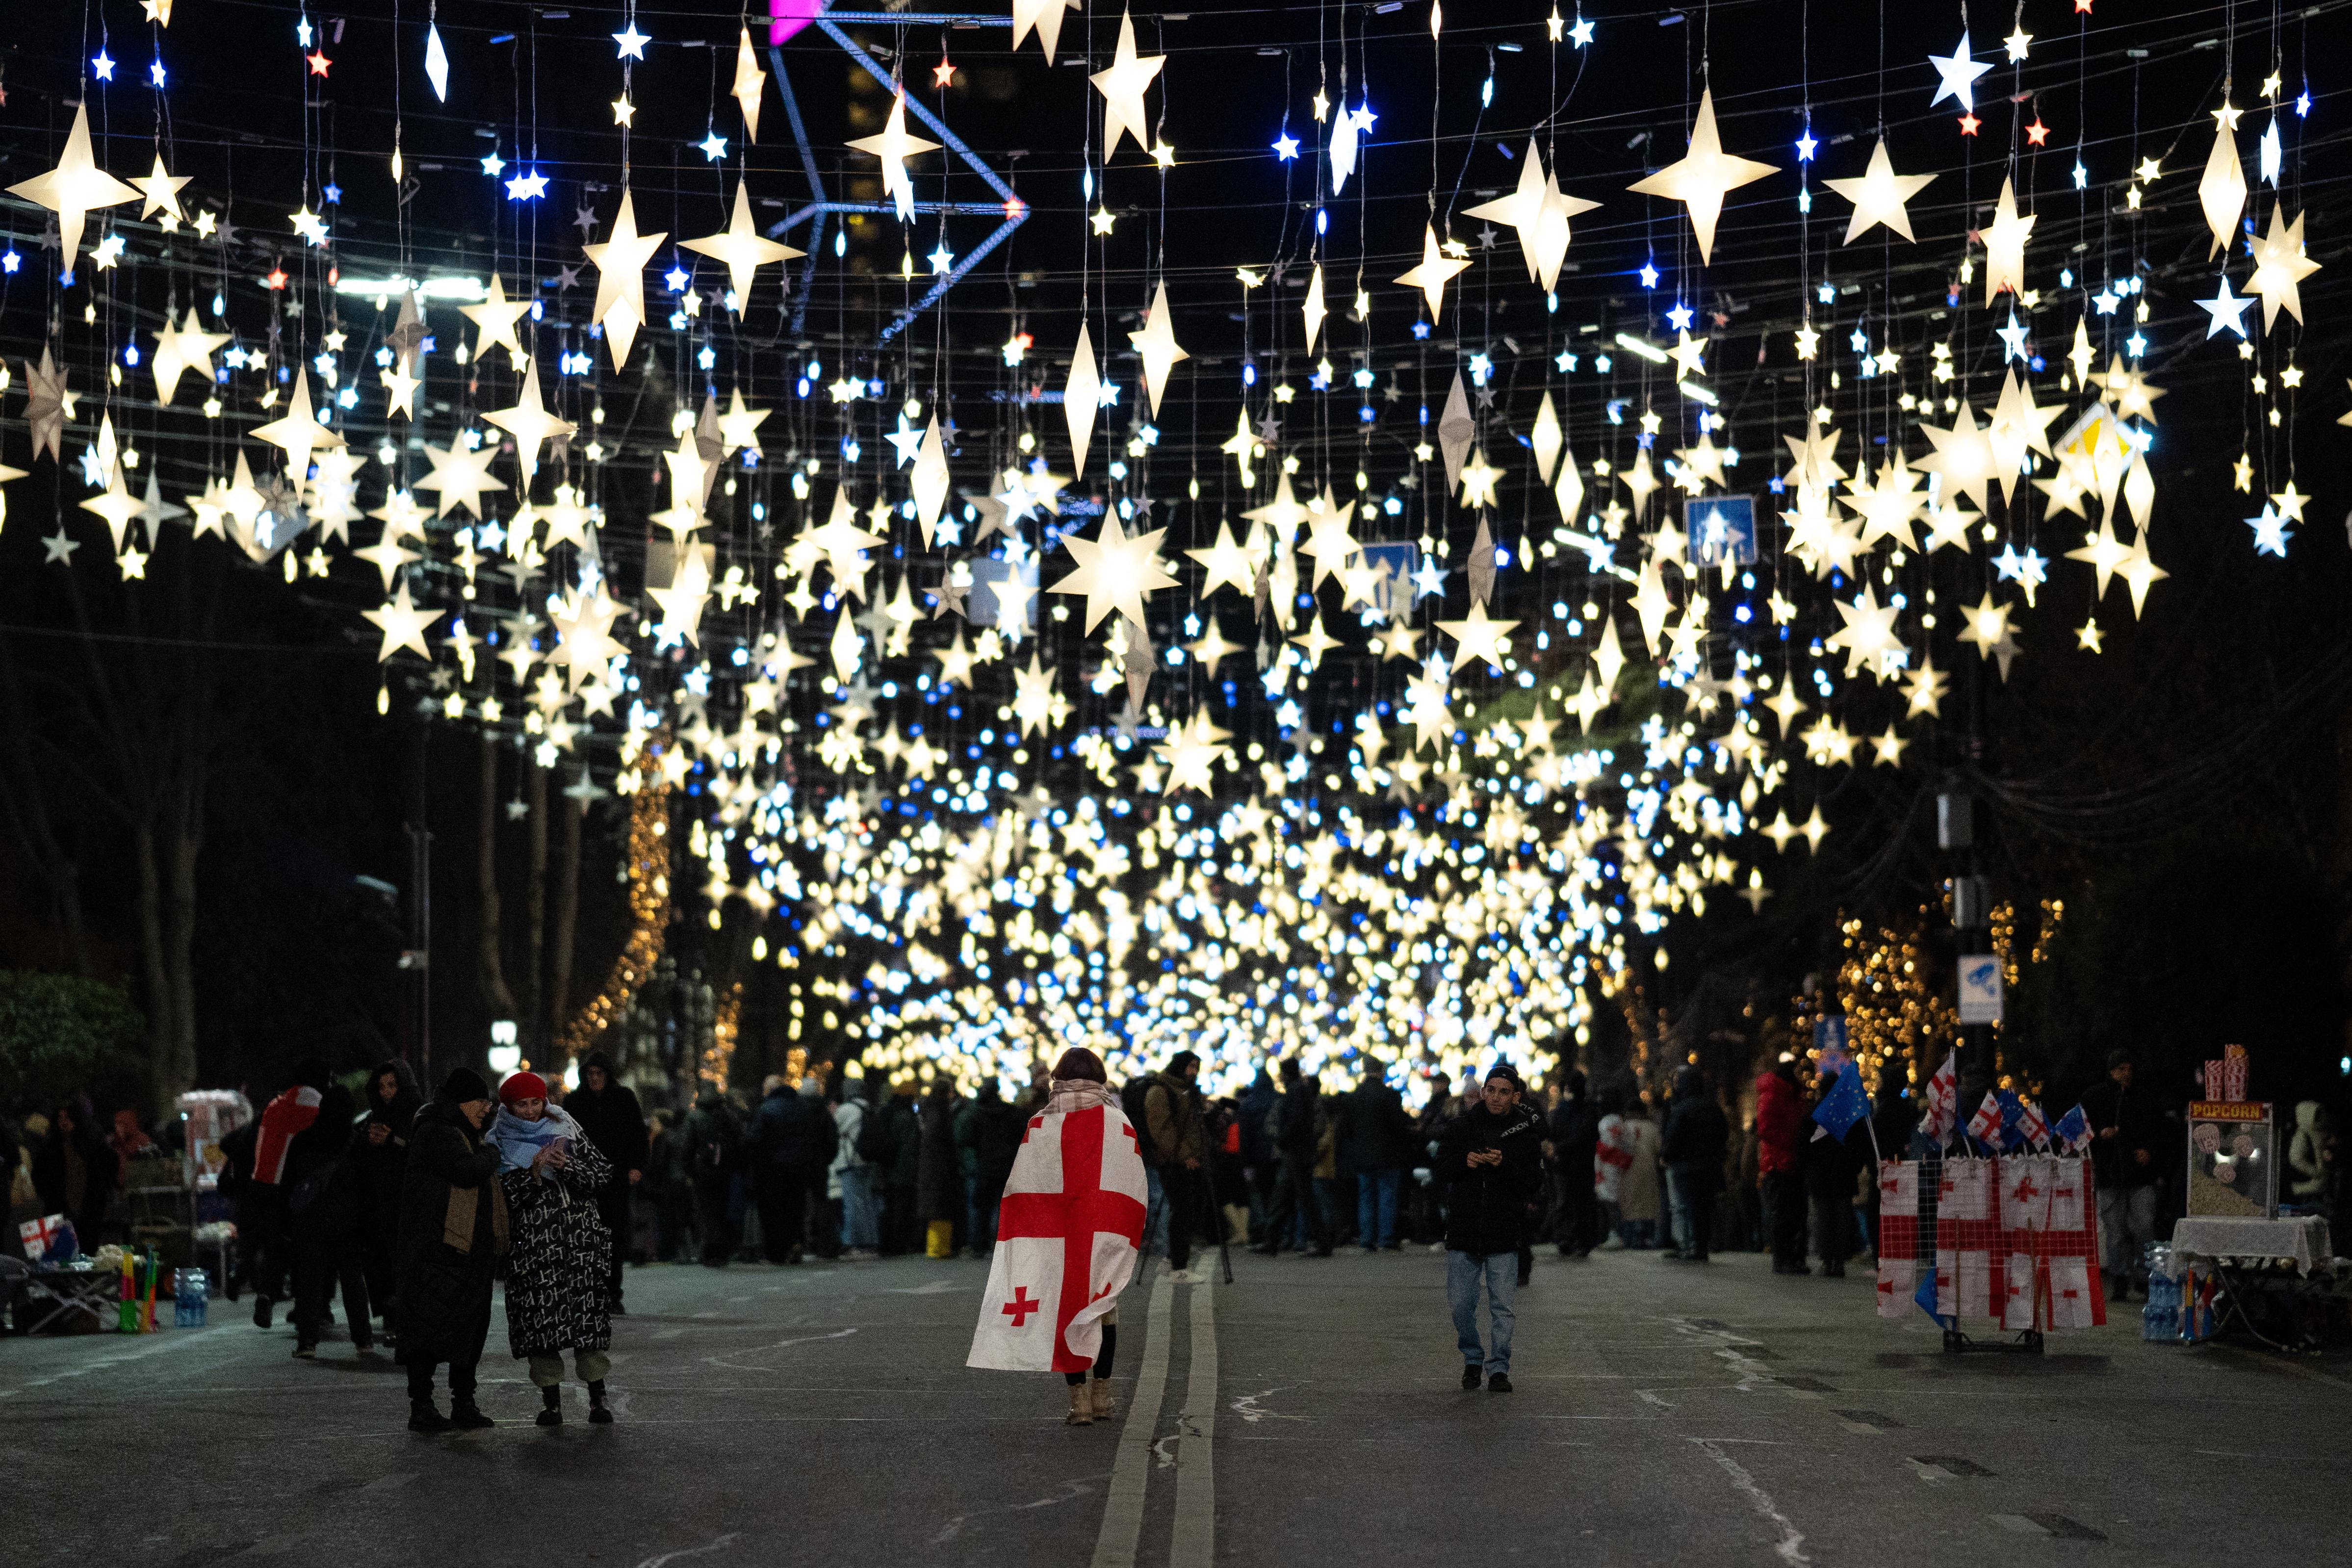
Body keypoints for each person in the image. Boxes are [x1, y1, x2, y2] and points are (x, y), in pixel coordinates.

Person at [966, 1047, 1147, 1427]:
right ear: (1100, 1076)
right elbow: (1132, 1181)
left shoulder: (1041, 1122)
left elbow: (1025, 1184)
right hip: (1100, 1231)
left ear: (1057, 1077)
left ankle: (1077, 1402)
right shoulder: (1116, 1120)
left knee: (1065, 1306)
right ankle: (1103, 1394)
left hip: (1056, 1234)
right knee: (1103, 1309)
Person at [489, 1070, 618, 1427]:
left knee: (587, 1328)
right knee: (542, 1331)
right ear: (509, 1106)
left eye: (535, 1102)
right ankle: (552, 1403)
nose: (530, 1111)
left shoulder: (567, 1128)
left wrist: (568, 1166)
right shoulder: (497, 1141)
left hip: (579, 1247)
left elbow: (602, 1175)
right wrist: (532, 1174)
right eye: (521, 1104)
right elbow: (503, 1200)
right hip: (535, 1252)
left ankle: (598, 1399)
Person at [396, 1068, 506, 1432]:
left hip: (467, 1251)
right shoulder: (437, 1131)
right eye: (481, 1102)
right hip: (436, 1250)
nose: (487, 1109)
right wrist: (492, 1152)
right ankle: (422, 1405)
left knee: (468, 1330)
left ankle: (464, 1402)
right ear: (462, 1102)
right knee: (428, 1329)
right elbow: (466, 1170)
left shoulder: (461, 1131)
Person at [1435, 1064, 1545, 1392]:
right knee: (1460, 1305)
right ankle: (1472, 1358)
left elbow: (1532, 1182)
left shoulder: (1524, 1133)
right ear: (1483, 1091)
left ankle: (1498, 1367)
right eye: (1492, 1089)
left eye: (1504, 1091)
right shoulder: (1461, 1127)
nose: (1496, 1097)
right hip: (1464, 1229)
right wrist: (1464, 1161)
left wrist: (1503, 1164)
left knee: (1502, 1307)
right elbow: (1440, 1169)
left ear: (1516, 1096)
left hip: (1503, 1230)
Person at [284, 1062, 367, 1359]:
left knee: (311, 1285)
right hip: (347, 1224)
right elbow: (366, 1187)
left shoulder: (304, 1141)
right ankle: (363, 1339)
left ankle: (307, 1342)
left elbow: (289, 1184)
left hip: (311, 1223)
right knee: (353, 1281)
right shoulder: (356, 1144)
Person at [564, 1052, 647, 1312]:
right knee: (585, 1239)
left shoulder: (623, 1099)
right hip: (583, 1181)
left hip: (615, 1179)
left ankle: (612, 1293)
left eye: (599, 1073)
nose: (594, 1079)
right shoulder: (575, 1101)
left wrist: (636, 1166)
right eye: (590, 1074)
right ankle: (588, 1292)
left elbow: (638, 1134)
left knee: (614, 1238)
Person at [2079, 1049, 2165, 1302]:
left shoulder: (2144, 1098)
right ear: (2111, 1071)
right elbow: (2080, 1131)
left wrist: (2148, 1151)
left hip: (2140, 1176)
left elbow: (2158, 1130)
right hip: (2109, 1174)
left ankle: (2143, 1277)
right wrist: (2098, 1135)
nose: (2126, 1074)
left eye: (2129, 1069)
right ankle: (2119, 1277)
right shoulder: (2094, 1097)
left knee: (2144, 1227)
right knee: (2115, 1230)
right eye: (2121, 1069)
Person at [355, 1060, 422, 1345]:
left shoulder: (417, 1115)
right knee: (382, 1262)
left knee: (404, 1261)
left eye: (392, 1085)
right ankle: (393, 1319)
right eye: (381, 1086)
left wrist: (392, 1140)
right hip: (379, 1202)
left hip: (408, 1202)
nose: (386, 1092)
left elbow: (420, 1152)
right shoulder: (373, 1116)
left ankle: (408, 1323)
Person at [744, 1072, 838, 1264]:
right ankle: (796, 1241)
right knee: (796, 1208)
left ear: (769, 1090)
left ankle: (778, 1252)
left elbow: (755, 1141)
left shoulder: (766, 1109)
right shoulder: (802, 1108)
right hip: (801, 1167)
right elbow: (817, 1138)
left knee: (775, 1210)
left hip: (774, 1170)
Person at [1142, 1051, 1209, 1279]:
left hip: (1192, 1161)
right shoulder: (1161, 1091)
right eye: (1191, 1066)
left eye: (1196, 1067)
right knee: (1182, 1211)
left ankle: (1174, 1259)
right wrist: (1185, 1156)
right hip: (1174, 1163)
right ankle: (1178, 1267)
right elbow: (1162, 1130)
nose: (1194, 1072)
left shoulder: (1188, 1092)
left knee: (1190, 1210)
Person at [1256, 1058, 1332, 1256]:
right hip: (1300, 1152)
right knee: (1291, 1197)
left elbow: (1295, 1121)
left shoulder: (1295, 1091)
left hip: (1296, 1152)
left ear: (1285, 1073)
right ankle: (1275, 1240)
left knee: (1296, 1198)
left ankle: (1276, 1241)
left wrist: (1282, 1139)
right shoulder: (1301, 1090)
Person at [1340, 1057, 1414, 1253]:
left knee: (1366, 1197)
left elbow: (1346, 1129)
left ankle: (1366, 1238)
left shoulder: (1354, 1097)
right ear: (1381, 1071)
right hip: (1388, 1156)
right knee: (1387, 1196)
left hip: (1362, 1157)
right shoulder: (1390, 1096)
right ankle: (1385, 1238)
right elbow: (1399, 1126)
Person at [32, 1096, 117, 1256]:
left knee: (87, 1254)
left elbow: (109, 1165)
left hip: (89, 1211)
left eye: (68, 1118)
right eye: (61, 1118)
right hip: (59, 1211)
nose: (64, 1122)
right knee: (59, 1260)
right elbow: (39, 1176)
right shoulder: (50, 1149)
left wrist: (102, 1192)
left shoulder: (91, 1145)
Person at [1661, 1067, 1730, 1262]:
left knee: (1690, 1206)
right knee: (1705, 1206)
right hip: (1709, 1165)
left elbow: (1673, 1137)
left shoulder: (1682, 1109)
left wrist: (1668, 1155)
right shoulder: (1712, 1107)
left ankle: (1693, 1246)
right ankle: (1702, 1245)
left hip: (1686, 1166)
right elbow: (1723, 1132)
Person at [956, 1076, 1027, 1260]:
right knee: (1006, 1209)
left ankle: (979, 1246)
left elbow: (967, 1139)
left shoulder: (977, 1114)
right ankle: (1005, 1245)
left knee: (983, 1209)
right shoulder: (1013, 1113)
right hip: (1007, 1166)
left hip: (986, 1167)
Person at [1805, 1071, 1863, 1277]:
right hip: (1843, 1174)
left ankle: (1827, 1259)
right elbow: (1859, 1144)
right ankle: (1839, 1259)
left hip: (1820, 1174)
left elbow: (1803, 1145)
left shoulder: (1814, 1113)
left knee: (1823, 1217)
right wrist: (1854, 1168)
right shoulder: (1848, 1113)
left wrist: (1808, 1168)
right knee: (1841, 1217)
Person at [680, 1082, 743, 1266]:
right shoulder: (728, 1116)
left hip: (703, 1171)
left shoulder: (695, 1117)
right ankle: (723, 1251)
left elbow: (688, 1147)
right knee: (722, 1209)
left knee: (707, 1212)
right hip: (724, 1170)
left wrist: (689, 1170)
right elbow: (739, 1141)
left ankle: (711, 1251)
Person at [1756, 1059, 1808, 1273]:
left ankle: (1793, 1256)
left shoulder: (1794, 1096)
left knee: (1794, 1214)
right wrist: (1794, 1142)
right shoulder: (1776, 1096)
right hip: (1779, 1163)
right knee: (1783, 1214)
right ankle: (1783, 1257)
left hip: (1792, 1162)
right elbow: (1766, 1129)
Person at [1548, 1070, 1601, 1259]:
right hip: (1577, 1163)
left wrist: (1559, 1148)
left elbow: (1583, 1135)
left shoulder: (1577, 1110)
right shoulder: (1584, 1110)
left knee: (1571, 1202)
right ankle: (1572, 1239)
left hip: (1572, 1163)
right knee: (1576, 1202)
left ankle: (1570, 1239)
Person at [834, 1075, 881, 1259]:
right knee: (867, 1203)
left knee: (852, 1205)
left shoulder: (845, 1109)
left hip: (849, 1160)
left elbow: (835, 1130)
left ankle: (851, 1242)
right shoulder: (868, 1108)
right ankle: (871, 1241)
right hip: (866, 1159)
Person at [917, 1078, 964, 1259]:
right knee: (940, 1206)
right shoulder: (940, 1112)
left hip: (931, 1166)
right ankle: (939, 1248)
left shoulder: (929, 1109)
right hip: (940, 1167)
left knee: (937, 1208)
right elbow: (939, 1141)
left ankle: (937, 1247)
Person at [643, 1109, 696, 1262]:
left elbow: (659, 1164)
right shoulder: (676, 1136)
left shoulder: (663, 1139)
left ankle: (672, 1252)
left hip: (668, 1183)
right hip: (678, 1181)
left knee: (670, 1219)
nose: (652, 1126)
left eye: (655, 1122)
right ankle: (686, 1252)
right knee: (681, 1218)